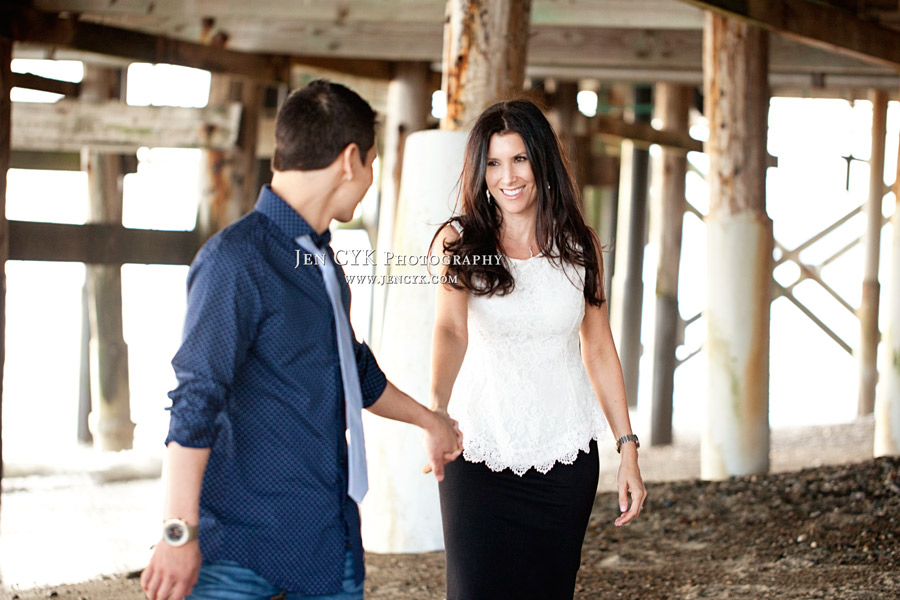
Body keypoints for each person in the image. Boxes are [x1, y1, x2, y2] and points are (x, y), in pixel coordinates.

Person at [140, 80, 462, 600]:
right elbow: (194, 402)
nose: (371, 180)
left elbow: (349, 367)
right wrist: (177, 534)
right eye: (375, 164)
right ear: (351, 160)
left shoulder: (322, 260)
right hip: (239, 554)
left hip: (328, 544)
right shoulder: (235, 261)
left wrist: (430, 420)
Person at [429, 99, 646, 600]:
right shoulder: (459, 241)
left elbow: (598, 348)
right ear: (481, 171)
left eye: (520, 158)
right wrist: (436, 410)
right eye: (494, 162)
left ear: (542, 161)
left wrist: (627, 449)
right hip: (478, 449)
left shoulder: (579, 247)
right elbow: (449, 331)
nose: (509, 176)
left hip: (565, 459)